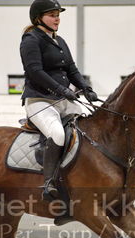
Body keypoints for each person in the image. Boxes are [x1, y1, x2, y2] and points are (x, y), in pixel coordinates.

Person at [20, 0, 98, 200]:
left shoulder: (59, 40)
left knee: (90, 129)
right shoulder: (31, 39)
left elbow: (71, 69)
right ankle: (49, 183)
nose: (57, 19)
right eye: (52, 15)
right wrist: (61, 89)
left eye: (58, 15)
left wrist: (86, 88)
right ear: (39, 18)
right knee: (57, 135)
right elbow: (34, 71)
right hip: (40, 101)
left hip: (63, 99)